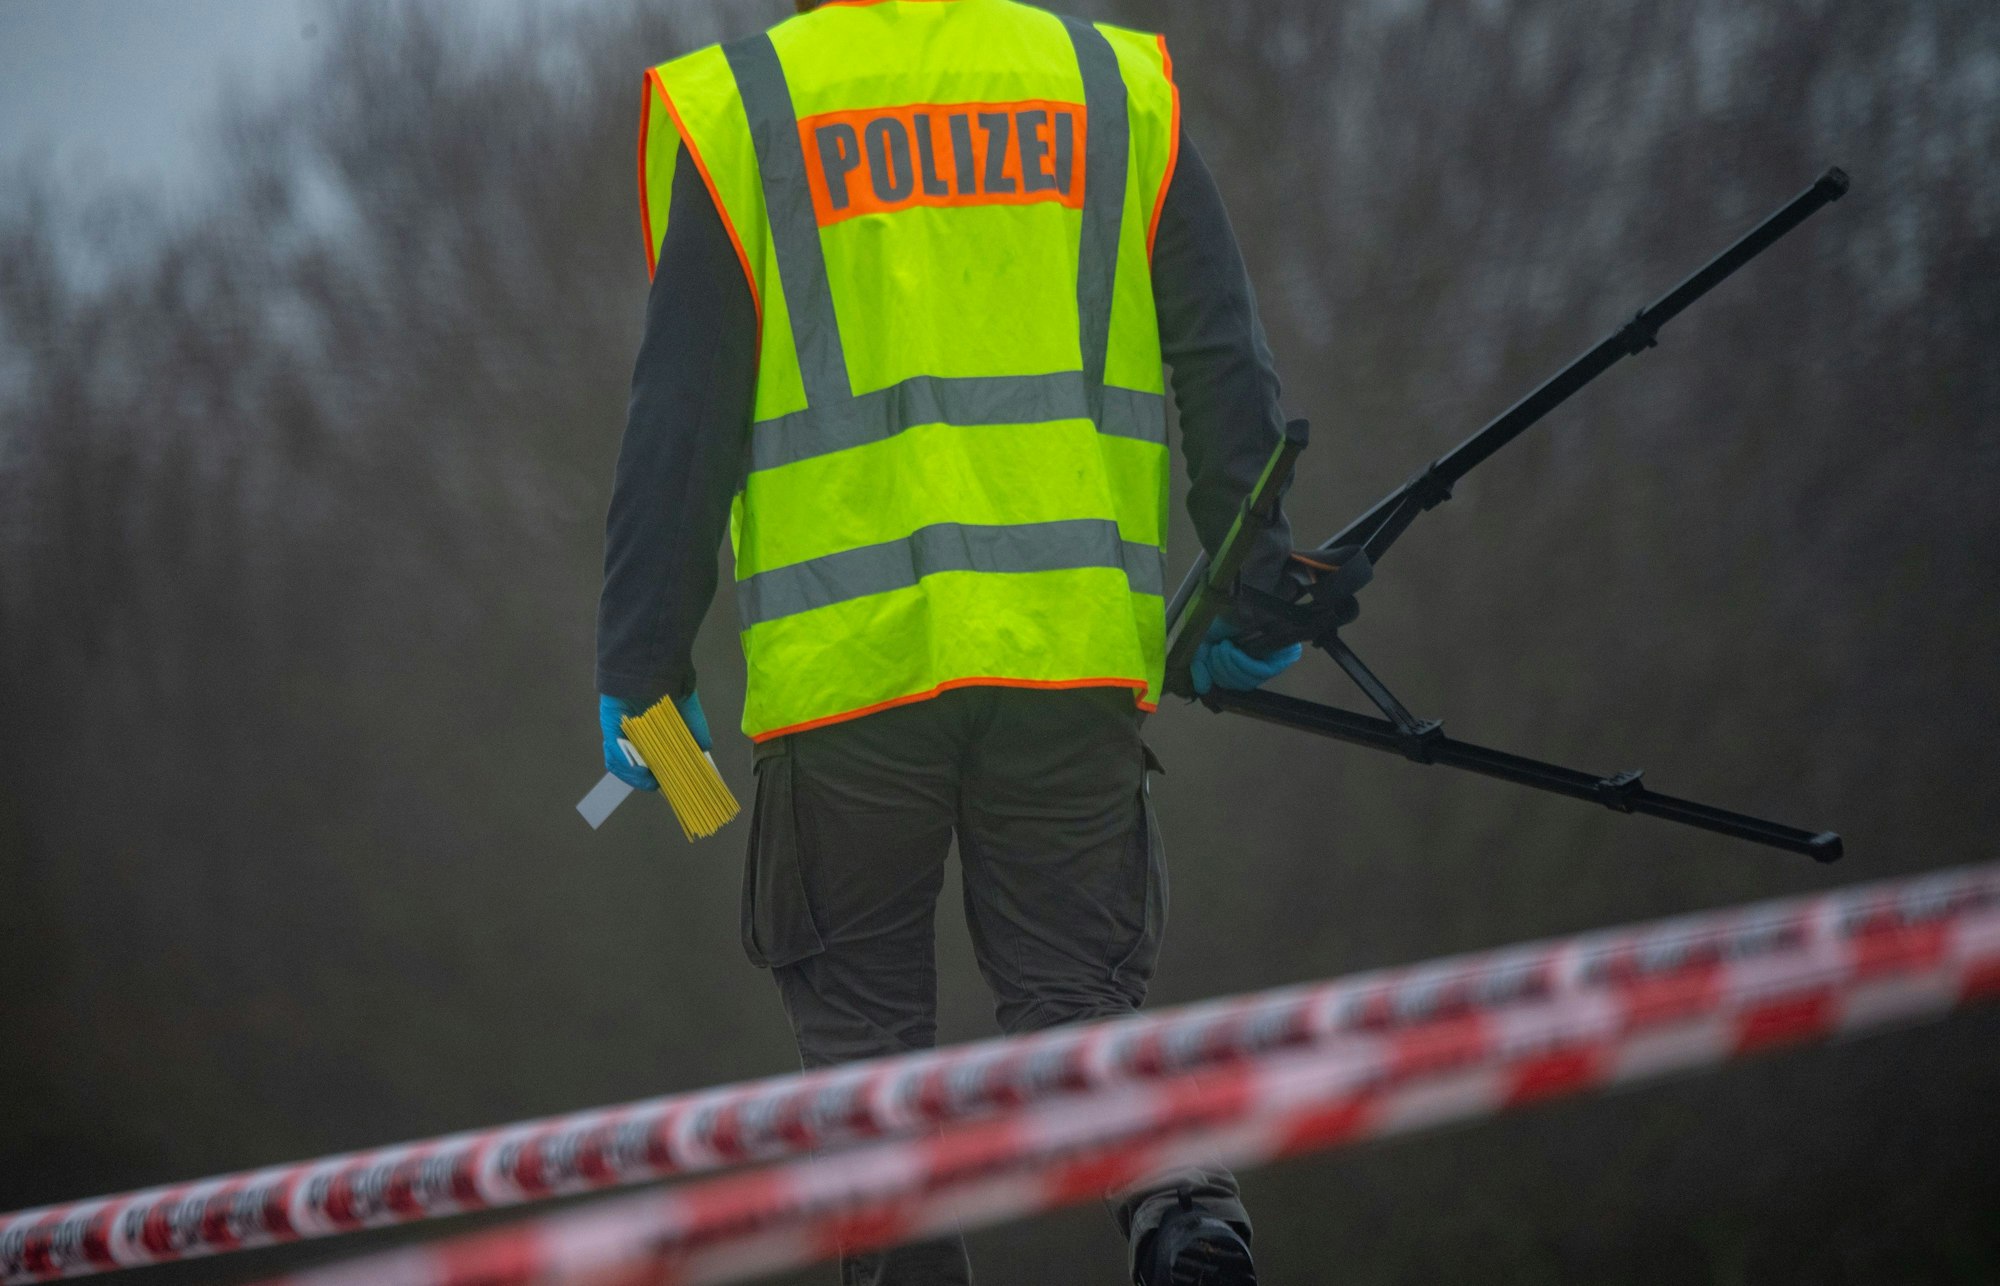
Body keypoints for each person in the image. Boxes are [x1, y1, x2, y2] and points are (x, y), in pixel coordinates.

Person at [596, 2, 1304, 1282]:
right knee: (1081, 1006)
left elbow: (679, 420)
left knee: (867, 1050)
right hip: (1066, 651)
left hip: (846, 682)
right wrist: (1249, 591)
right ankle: (1182, 1212)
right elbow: (1219, 356)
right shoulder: (1107, 84)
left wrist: (642, 672)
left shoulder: (746, 107)